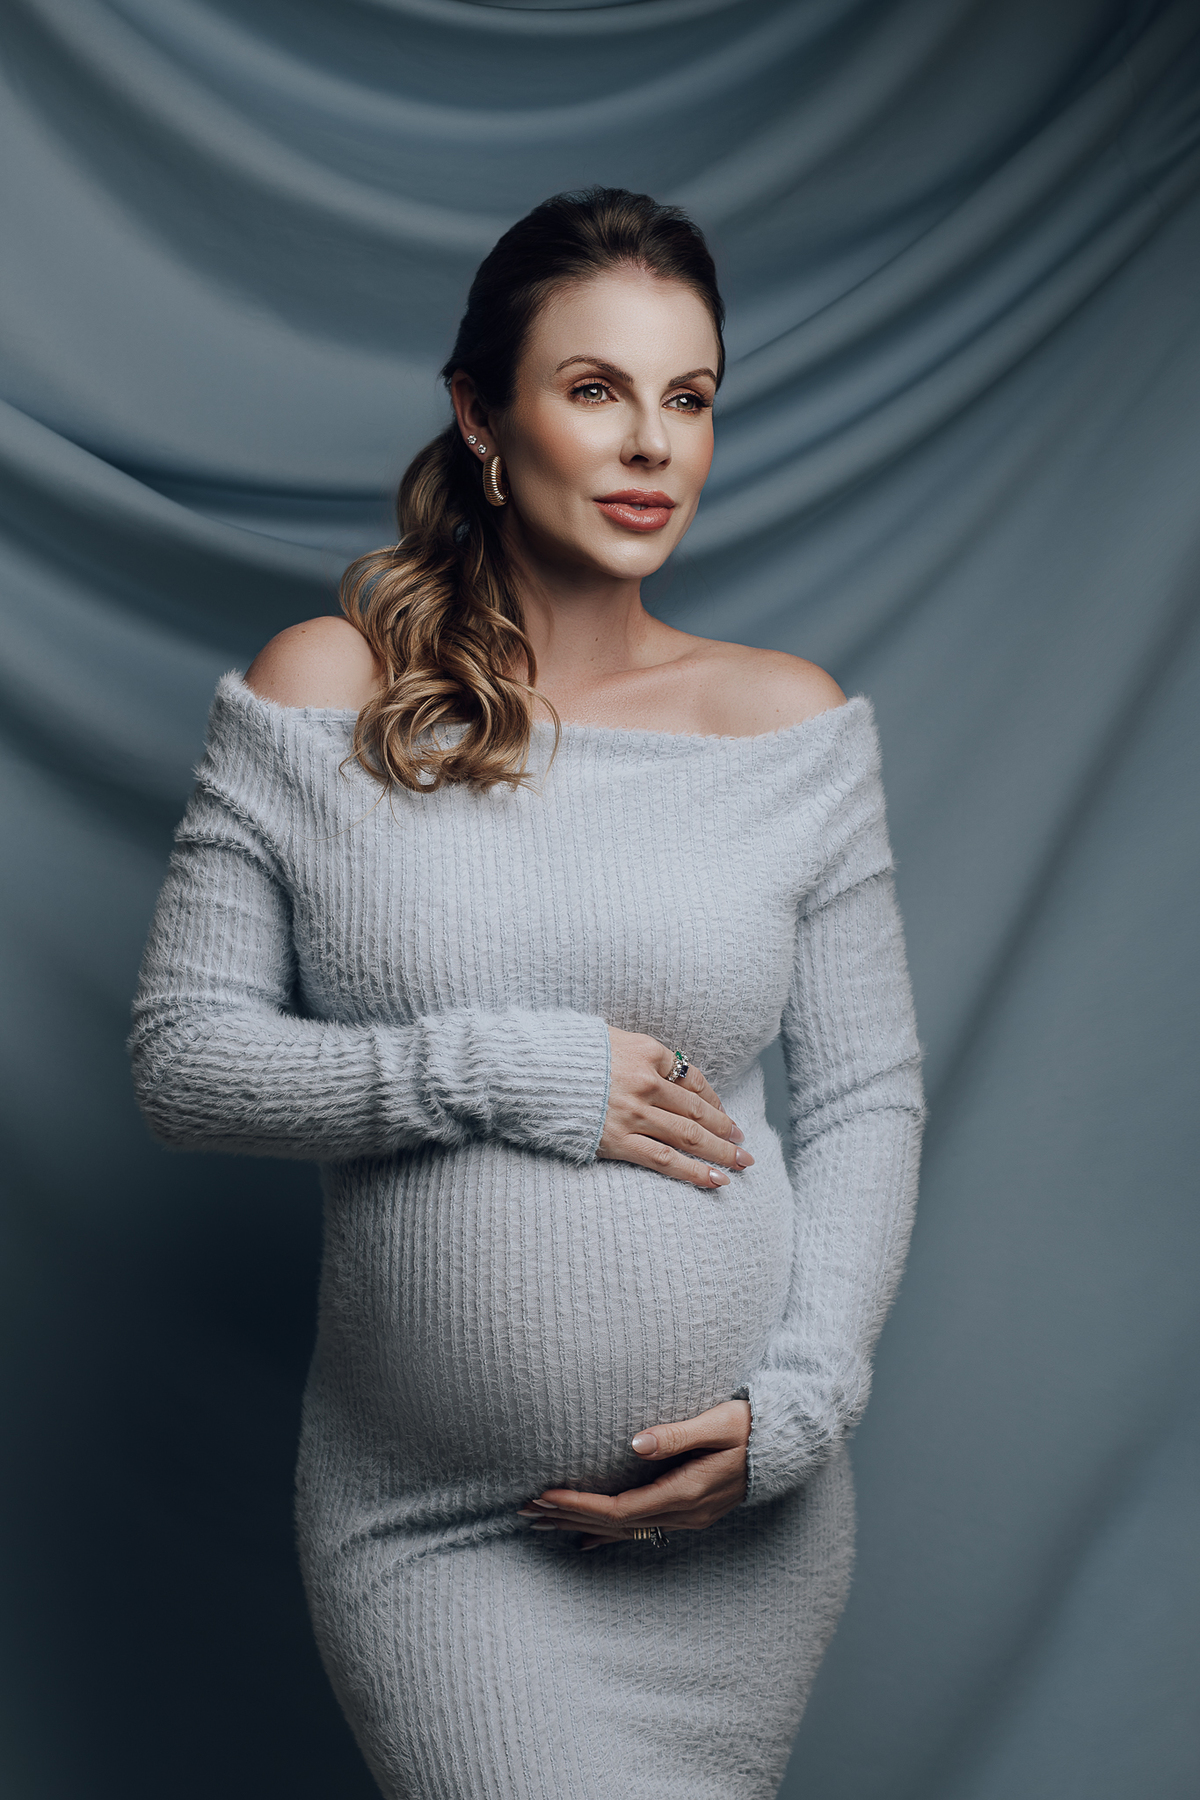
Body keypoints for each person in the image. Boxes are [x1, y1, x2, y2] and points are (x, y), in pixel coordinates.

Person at [130, 188, 925, 1800]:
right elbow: (185, 1061)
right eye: (596, 389)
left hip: (737, 1524)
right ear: (482, 416)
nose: (651, 445)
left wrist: (801, 1407)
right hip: (440, 1530)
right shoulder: (325, 694)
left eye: (688, 397)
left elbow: (865, 1097)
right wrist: (510, 1071)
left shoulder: (786, 727)